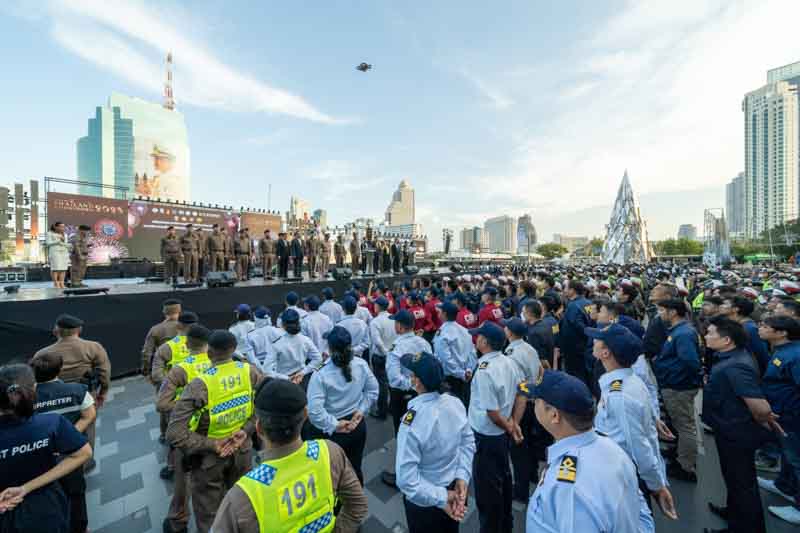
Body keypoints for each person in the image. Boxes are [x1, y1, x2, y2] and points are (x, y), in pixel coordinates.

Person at [210, 379, 368, 532]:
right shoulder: (330, 452)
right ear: (305, 415)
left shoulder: (241, 496)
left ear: (258, 428)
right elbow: (357, 506)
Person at [519, 370, 655, 532]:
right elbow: (641, 513)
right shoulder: (614, 450)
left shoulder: (569, 489)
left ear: (554, 415)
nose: (533, 404)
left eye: (537, 401)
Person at [166, 330, 263, 533]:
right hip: (243, 452)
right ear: (234, 350)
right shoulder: (250, 371)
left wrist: (214, 444)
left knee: (209, 513)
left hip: (209, 460)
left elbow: (174, 433)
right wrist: (245, 431)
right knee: (242, 504)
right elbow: (262, 406)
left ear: (209, 352)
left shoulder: (199, 384)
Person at [586, 324, 677, 520]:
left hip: (624, 474)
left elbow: (639, 448)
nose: (593, 341)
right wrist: (653, 420)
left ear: (606, 353)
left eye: (598, 340)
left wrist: (657, 486)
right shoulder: (629, 380)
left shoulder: (619, 395)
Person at [702, 316, 783, 533]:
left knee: (742, 483)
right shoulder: (732, 357)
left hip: (736, 432)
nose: (706, 336)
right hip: (728, 427)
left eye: (710, 333)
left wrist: (762, 422)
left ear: (727, 340)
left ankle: (745, 527)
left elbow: (760, 407)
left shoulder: (736, 365)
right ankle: (735, 513)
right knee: (735, 479)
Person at [0, 364, 93, 533]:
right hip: (48, 509)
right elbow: (83, 453)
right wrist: (25, 488)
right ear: (33, 389)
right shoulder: (51, 423)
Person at [396, 352, 475, 532]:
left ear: (417, 382)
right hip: (451, 487)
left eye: (412, 375)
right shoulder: (455, 403)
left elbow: (406, 480)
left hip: (426, 501)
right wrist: (462, 477)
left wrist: (444, 497)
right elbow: (467, 443)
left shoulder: (412, 423)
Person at [31, 314, 110, 469]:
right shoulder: (93, 347)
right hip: (84, 395)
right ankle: (85, 461)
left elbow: (34, 377)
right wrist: (103, 392)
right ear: (79, 330)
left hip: (50, 395)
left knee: (51, 427)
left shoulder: (43, 353)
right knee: (87, 426)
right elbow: (104, 372)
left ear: (56, 331)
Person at [31, 353, 96, 533]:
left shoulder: (28, 398)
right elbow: (89, 415)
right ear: (59, 369)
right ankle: (80, 528)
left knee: (46, 494)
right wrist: (68, 438)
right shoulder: (78, 390)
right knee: (76, 493)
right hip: (70, 454)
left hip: (41, 456)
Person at [156, 324, 211, 533]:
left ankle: (178, 520)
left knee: (183, 477)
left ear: (187, 344)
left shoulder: (181, 369)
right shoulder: (219, 364)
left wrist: (185, 408)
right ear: (208, 345)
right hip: (216, 430)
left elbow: (161, 404)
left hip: (187, 430)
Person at [307, 326, 378, 484]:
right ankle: (357, 499)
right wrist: (361, 410)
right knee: (355, 466)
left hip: (332, 431)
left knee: (330, 473)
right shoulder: (361, 364)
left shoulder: (320, 375)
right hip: (356, 424)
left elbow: (315, 413)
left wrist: (336, 425)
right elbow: (373, 391)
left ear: (330, 350)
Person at [467, 321, 518, 533]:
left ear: (485, 342)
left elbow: (492, 411)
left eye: (478, 336)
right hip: (499, 434)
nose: (476, 338)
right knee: (503, 479)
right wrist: (513, 422)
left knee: (487, 492)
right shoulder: (507, 361)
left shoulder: (485, 370)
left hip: (487, 436)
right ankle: (505, 524)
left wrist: (509, 427)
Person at [653, 298, 703, 482]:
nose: (660, 314)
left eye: (662, 310)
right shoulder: (679, 331)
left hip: (678, 387)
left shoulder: (682, 334)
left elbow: (690, 362)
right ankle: (681, 457)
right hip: (674, 384)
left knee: (684, 426)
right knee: (680, 423)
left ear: (673, 312)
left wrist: (676, 377)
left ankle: (686, 466)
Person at [757, 315, 800, 524]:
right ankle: (785, 486)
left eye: (766, 326)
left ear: (782, 333)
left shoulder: (795, 355)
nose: (760, 328)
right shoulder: (781, 351)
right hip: (782, 414)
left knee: (796, 459)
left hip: (792, 417)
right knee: (787, 455)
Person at [383, 309, 432, 487]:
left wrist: (412, 386)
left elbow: (394, 379)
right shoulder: (423, 343)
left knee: (403, 434)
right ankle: (421, 467)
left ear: (401, 327)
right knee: (421, 430)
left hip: (403, 395)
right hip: (423, 392)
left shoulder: (396, 346)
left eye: (396, 322)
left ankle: (404, 476)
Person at [502, 318, 543, 507]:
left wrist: (514, 422)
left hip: (523, 405)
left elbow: (519, 390)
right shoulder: (528, 348)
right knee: (532, 445)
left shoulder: (512, 354)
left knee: (519, 450)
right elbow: (541, 369)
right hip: (535, 401)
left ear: (510, 332)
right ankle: (533, 474)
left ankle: (521, 491)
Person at [433, 301, 476, 407]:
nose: (438, 313)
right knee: (462, 403)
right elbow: (472, 353)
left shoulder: (443, 333)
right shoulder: (465, 331)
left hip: (450, 377)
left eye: (440, 311)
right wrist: (468, 370)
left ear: (444, 314)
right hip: (465, 374)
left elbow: (445, 359)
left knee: (450, 407)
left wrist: (460, 373)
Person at [267, 309, 322, 386]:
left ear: (283, 324)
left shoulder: (276, 344)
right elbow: (318, 359)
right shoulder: (305, 340)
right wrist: (303, 372)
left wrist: (285, 377)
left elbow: (266, 370)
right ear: (298, 323)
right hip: (302, 380)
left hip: (283, 382)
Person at [721, 295, 771, 373]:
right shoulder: (736, 325)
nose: (721, 306)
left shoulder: (750, 328)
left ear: (736, 309)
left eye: (725, 304)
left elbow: (761, 354)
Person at [557, 281, 592, 382]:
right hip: (585, 345)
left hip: (574, 348)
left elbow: (578, 326)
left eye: (566, 288)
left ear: (572, 290)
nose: (564, 290)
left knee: (575, 375)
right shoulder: (588, 302)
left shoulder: (573, 306)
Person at [369, 296, 396, 420]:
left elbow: (377, 342)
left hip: (381, 356)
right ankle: (392, 407)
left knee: (382, 384)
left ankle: (382, 411)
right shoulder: (393, 318)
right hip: (393, 353)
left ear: (378, 306)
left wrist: (385, 353)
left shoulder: (375, 321)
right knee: (392, 381)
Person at [141, 298, 182, 378]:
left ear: (164, 312)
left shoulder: (155, 329)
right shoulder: (188, 328)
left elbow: (146, 353)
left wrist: (145, 370)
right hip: (186, 370)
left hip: (165, 372)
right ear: (179, 311)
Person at [242, 307, 284, 372]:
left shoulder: (248, 336)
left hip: (261, 368)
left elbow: (252, 358)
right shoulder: (279, 331)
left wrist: (263, 371)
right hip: (279, 367)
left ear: (256, 318)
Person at [338, 296, 371, 360]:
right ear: (356, 308)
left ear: (343, 309)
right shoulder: (363, 324)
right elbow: (367, 343)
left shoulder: (339, 325)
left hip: (343, 359)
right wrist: (355, 350)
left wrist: (350, 351)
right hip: (358, 357)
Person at [46, 221, 69, 289]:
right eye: (61, 226)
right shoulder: (49, 233)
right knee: (55, 268)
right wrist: (58, 241)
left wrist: (68, 246)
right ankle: (56, 284)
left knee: (63, 269)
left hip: (64, 252)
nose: (62, 228)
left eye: (63, 226)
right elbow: (48, 243)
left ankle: (62, 283)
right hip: (55, 252)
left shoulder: (64, 234)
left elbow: (65, 243)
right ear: (55, 227)